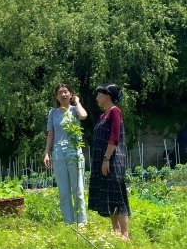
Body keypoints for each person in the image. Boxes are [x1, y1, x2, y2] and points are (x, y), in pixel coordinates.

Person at [88, 84, 130, 240]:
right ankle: (116, 232)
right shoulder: (102, 116)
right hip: (102, 160)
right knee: (107, 194)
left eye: (99, 94)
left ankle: (125, 234)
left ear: (107, 95)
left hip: (112, 159)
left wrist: (106, 159)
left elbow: (114, 137)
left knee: (117, 194)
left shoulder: (115, 112)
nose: (97, 97)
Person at [43, 84, 88, 225]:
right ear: (56, 97)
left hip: (74, 151)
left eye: (65, 92)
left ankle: (82, 222)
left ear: (70, 94)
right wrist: (46, 152)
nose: (63, 95)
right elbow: (50, 134)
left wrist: (78, 102)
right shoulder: (53, 113)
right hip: (58, 153)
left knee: (78, 189)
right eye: (60, 93)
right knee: (63, 191)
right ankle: (69, 223)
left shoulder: (75, 110)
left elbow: (84, 116)